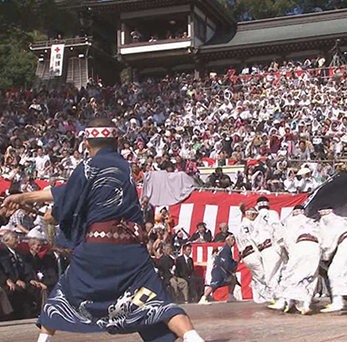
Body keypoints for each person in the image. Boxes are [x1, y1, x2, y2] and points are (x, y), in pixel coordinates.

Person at [2, 118, 205, 342]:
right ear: (116, 142)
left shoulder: (88, 167)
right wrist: (31, 201)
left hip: (97, 249)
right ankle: (193, 337)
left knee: (64, 294)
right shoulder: (125, 168)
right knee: (156, 300)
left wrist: (32, 202)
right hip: (131, 251)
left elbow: (67, 195)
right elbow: (74, 194)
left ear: (87, 145)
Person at [272, 205, 320, 315]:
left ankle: (287, 302)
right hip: (315, 247)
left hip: (300, 246)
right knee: (311, 276)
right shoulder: (312, 221)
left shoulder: (289, 222)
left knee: (291, 274)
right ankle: (306, 305)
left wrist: (291, 255)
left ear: (294, 212)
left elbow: (286, 239)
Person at [0, 231, 48, 319]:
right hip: (7, 280)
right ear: (7, 241)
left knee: (36, 287)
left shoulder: (18, 253)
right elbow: (6, 269)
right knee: (16, 290)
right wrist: (14, 280)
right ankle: (14, 315)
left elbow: (25, 268)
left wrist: (30, 279)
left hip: (21, 279)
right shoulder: (3, 253)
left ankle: (36, 311)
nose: (18, 242)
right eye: (15, 239)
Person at [235, 206, 271, 303]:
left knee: (256, 276)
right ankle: (269, 297)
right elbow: (252, 238)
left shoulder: (239, 226)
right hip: (251, 253)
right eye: (254, 215)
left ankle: (258, 297)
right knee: (263, 275)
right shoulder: (247, 225)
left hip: (245, 255)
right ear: (250, 214)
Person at [252, 197, 284, 302]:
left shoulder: (255, 220)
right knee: (276, 274)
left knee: (270, 275)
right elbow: (277, 227)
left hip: (263, 249)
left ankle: (278, 298)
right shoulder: (273, 213)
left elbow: (252, 238)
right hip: (274, 246)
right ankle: (280, 298)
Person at [199, 234, 238, 304]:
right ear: (227, 241)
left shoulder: (226, 248)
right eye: (232, 240)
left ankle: (230, 296)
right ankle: (203, 298)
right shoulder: (226, 249)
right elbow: (226, 263)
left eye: (234, 239)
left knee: (233, 280)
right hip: (219, 270)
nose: (234, 241)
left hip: (223, 270)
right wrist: (233, 266)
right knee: (214, 284)